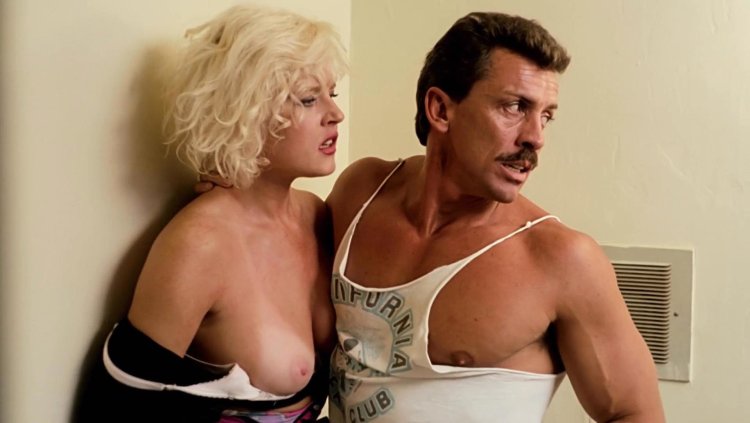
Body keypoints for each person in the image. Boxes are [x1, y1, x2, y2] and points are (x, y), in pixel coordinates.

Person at [325, 11, 665, 423]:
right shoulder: (360, 193)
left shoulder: (562, 259)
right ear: (440, 109)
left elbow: (634, 413)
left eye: (546, 115)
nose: (535, 137)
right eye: (515, 106)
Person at [98, 4, 347, 422]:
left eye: (331, 94)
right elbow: (119, 410)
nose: (336, 114)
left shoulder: (317, 216)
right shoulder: (200, 244)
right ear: (245, 110)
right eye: (308, 98)